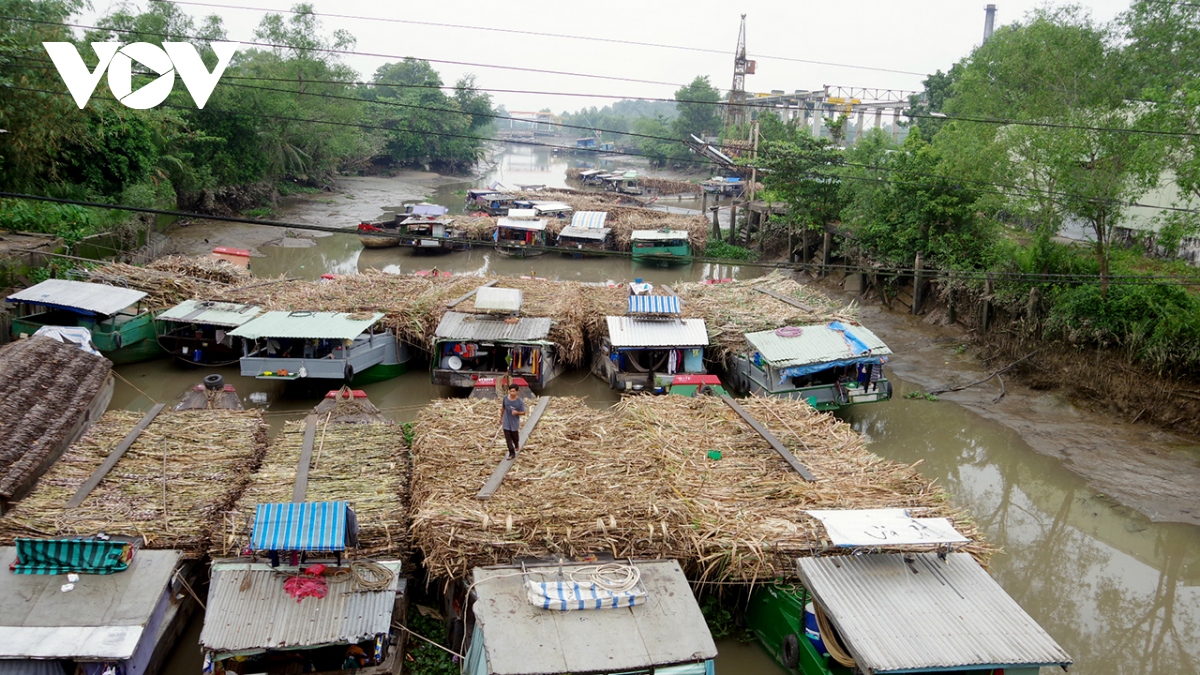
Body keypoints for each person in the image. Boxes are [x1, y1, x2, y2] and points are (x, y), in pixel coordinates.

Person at [500, 384, 526, 460]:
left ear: (517, 392)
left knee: (515, 436)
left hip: (514, 422)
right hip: (506, 421)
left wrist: (517, 412)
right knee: (508, 438)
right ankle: (511, 453)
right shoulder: (505, 399)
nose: (512, 393)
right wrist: (500, 418)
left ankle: (516, 444)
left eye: (513, 391)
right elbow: (503, 408)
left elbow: (524, 412)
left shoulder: (519, 402)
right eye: (510, 391)